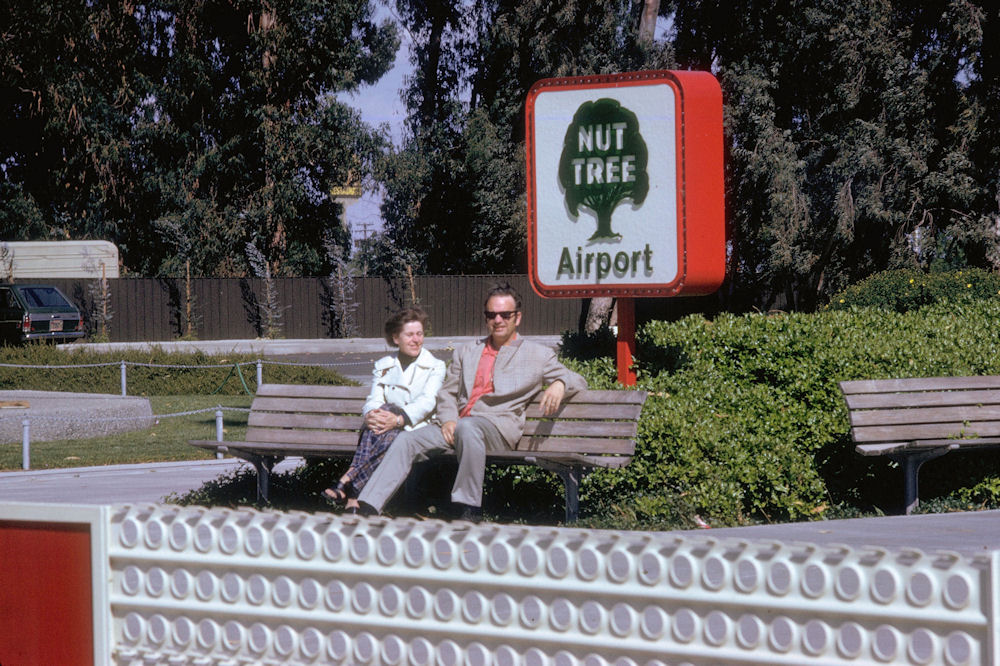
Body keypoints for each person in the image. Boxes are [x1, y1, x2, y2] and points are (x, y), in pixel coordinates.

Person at [355, 282, 587, 521]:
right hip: (457, 427)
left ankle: (468, 508)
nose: (498, 320)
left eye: (505, 315)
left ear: (517, 318)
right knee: (407, 439)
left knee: (468, 427)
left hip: (496, 429)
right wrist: (446, 420)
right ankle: (369, 505)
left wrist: (559, 384)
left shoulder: (537, 354)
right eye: (491, 315)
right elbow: (447, 393)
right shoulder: (467, 351)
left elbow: (578, 381)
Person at [323, 307, 446, 512]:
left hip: (416, 427)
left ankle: (349, 484)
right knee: (381, 423)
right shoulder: (384, 365)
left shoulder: (435, 366)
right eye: (410, 335)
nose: (416, 339)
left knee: (392, 431)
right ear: (396, 338)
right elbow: (373, 399)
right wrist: (371, 415)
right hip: (384, 429)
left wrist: (398, 420)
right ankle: (353, 494)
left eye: (420, 333)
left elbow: (428, 402)